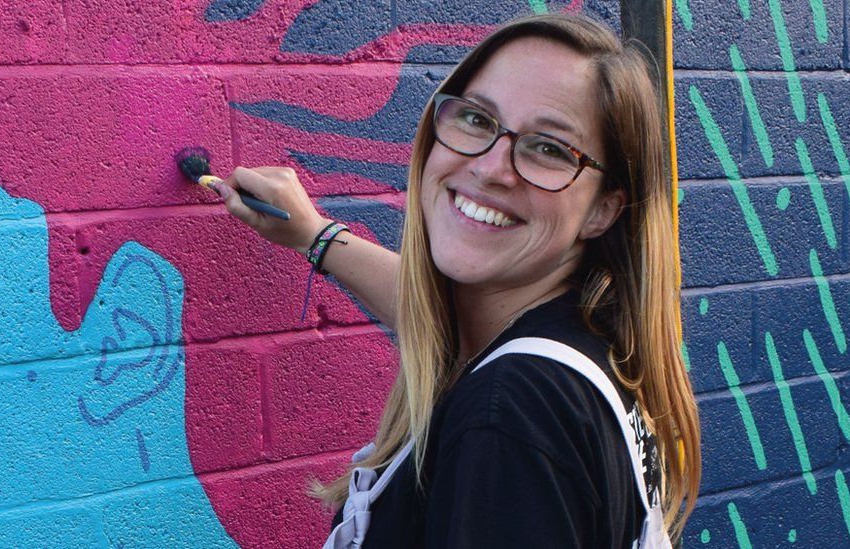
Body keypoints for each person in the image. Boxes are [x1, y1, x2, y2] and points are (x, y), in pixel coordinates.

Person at [216, 12, 700, 548]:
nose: (493, 167)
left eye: (549, 149)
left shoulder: (512, 413)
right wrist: (315, 235)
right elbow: (435, 315)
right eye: (477, 119)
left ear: (602, 210)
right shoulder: (588, 346)